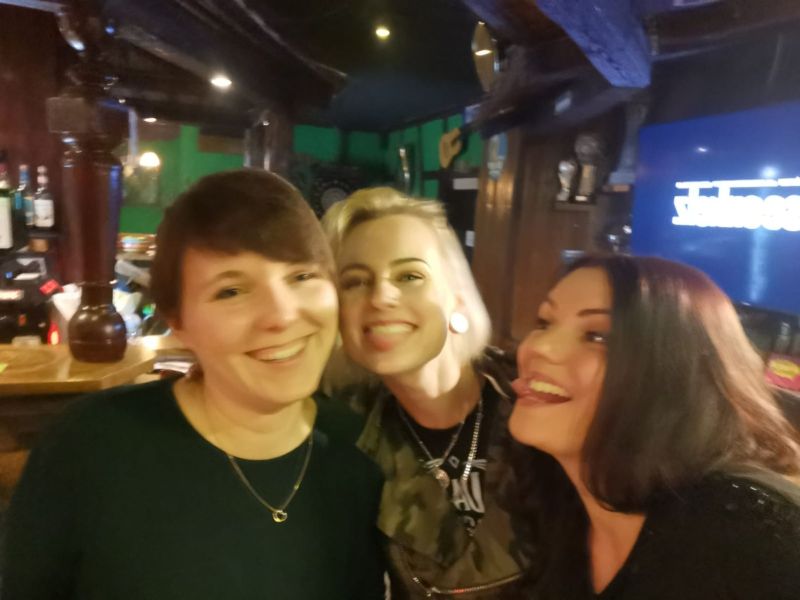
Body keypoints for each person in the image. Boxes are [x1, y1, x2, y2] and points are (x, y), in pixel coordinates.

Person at [3, 170, 385, 600]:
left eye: (301, 276)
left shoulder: (361, 450)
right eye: (231, 291)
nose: (282, 315)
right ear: (179, 322)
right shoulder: (92, 445)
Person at [509, 254, 800, 600]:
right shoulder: (560, 502)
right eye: (544, 323)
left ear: (676, 375)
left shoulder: (748, 533)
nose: (539, 347)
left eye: (598, 336)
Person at [323, 187, 544, 599]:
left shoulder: (539, 399)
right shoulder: (341, 429)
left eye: (409, 276)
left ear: (456, 296)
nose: (381, 296)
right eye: (355, 281)